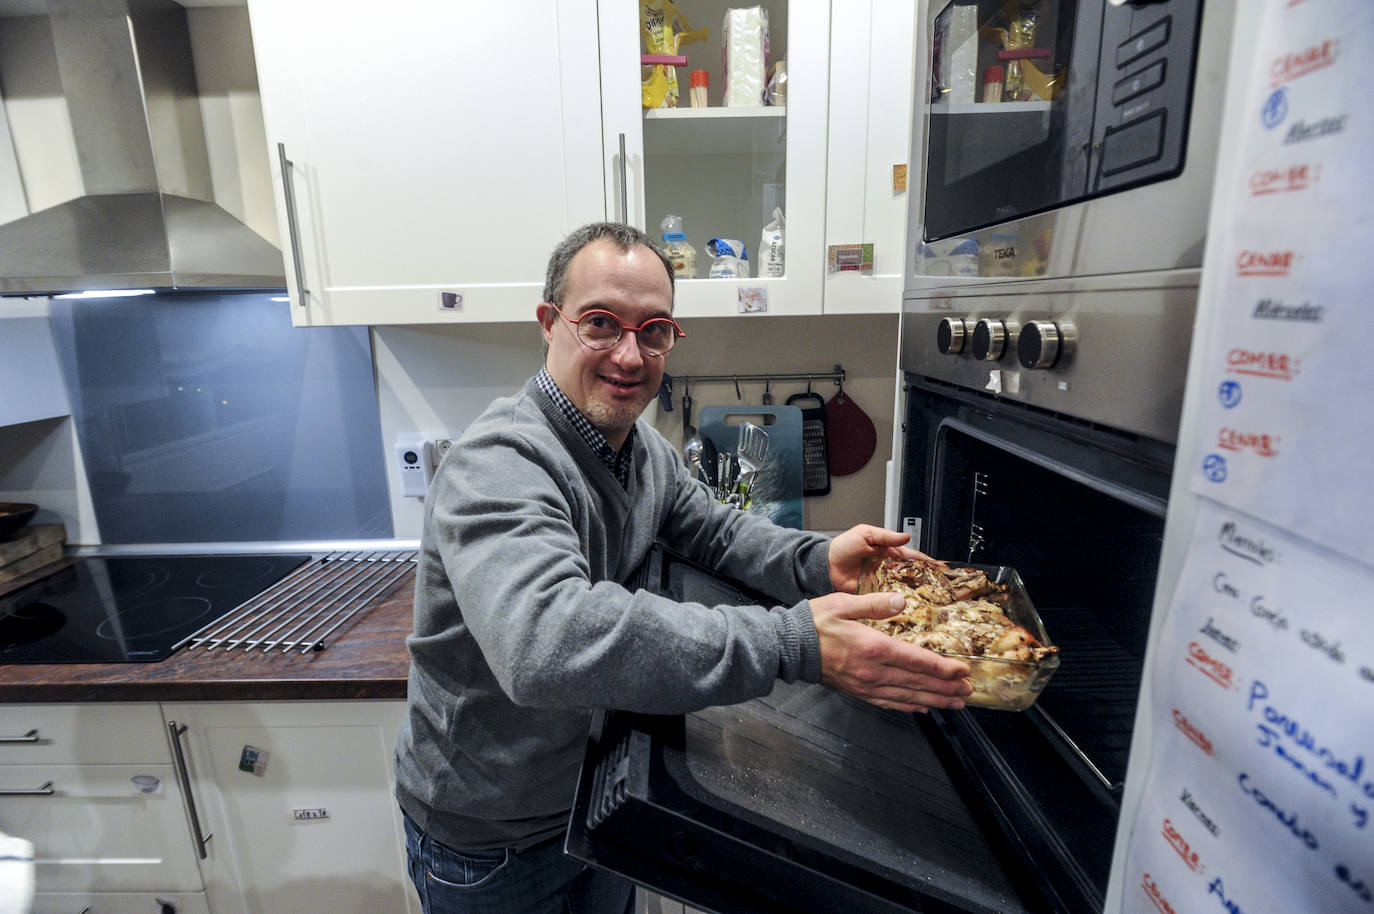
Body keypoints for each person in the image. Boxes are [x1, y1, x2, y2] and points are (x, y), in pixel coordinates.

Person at [393, 222, 971, 914]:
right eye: (601, 323)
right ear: (550, 325)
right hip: (491, 843)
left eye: (655, 329)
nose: (630, 354)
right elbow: (544, 640)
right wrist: (798, 643)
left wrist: (820, 559)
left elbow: (718, 533)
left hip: (593, 800)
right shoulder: (502, 461)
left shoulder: (642, 452)